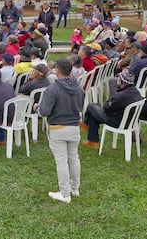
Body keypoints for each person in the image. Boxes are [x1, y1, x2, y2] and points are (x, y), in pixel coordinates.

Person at [35, 59, 84, 203]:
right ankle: (74, 188)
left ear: (57, 71)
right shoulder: (79, 88)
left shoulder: (53, 89)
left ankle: (65, 194)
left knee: (61, 161)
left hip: (58, 128)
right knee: (74, 158)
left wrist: (37, 107)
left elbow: (44, 112)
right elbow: (80, 106)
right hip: (74, 127)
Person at [81, 69, 142, 149]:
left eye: (119, 78)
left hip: (117, 121)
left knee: (91, 106)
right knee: (94, 112)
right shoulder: (136, 92)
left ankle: (86, 125)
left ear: (123, 82)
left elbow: (107, 109)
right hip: (130, 121)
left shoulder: (120, 97)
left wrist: (109, 103)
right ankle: (92, 141)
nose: (117, 79)